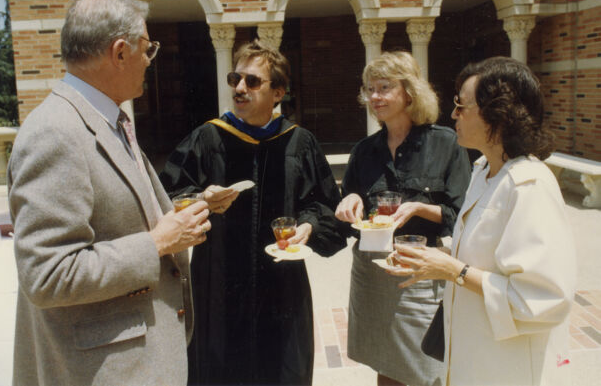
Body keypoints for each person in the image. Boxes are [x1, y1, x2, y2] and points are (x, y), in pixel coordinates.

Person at [7, 0, 211, 385]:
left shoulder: (104, 117)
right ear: (120, 52)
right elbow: (47, 274)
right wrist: (156, 244)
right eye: (146, 49)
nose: (150, 60)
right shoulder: (55, 132)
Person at [160, 39, 346, 386]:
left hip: (283, 288)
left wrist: (308, 225)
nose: (240, 89)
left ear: (278, 92)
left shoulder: (299, 142)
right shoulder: (208, 138)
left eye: (252, 81)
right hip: (218, 288)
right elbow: (166, 194)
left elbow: (324, 205)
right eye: (235, 79)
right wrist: (201, 197)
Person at [386, 57, 576, 385]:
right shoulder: (483, 172)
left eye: (461, 105)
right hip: (471, 358)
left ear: (498, 114)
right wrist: (433, 259)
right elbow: (480, 261)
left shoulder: (529, 185)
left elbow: (546, 300)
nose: (453, 114)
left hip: (505, 367)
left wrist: (453, 272)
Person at [335, 51, 471, 386]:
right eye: (370, 89)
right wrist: (350, 200)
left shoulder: (446, 143)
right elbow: (351, 202)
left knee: (429, 368)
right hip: (372, 269)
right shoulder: (364, 151)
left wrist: (418, 208)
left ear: (409, 92)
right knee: (386, 362)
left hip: (419, 270)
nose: (375, 96)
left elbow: (462, 214)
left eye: (384, 87)